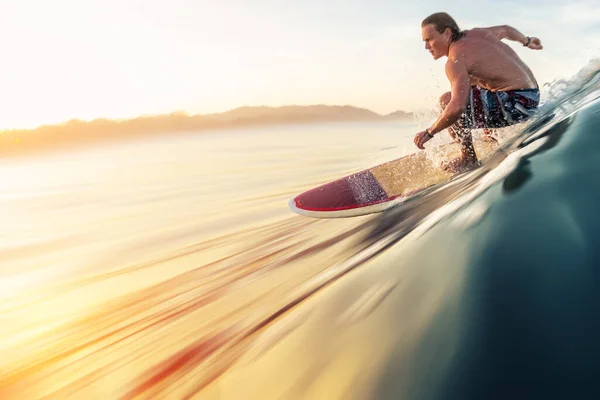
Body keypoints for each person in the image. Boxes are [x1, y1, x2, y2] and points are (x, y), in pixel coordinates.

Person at [413, 12, 543, 172]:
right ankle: (490, 134)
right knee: (473, 82)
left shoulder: (455, 60)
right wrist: (527, 41)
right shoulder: (478, 33)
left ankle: (468, 159)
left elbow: (457, 107)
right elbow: (507, 29)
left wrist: (429, 132)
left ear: (447, 33)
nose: (426, 46)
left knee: (447, 100)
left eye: (429, 39)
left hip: (517, 105)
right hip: (533, 96)